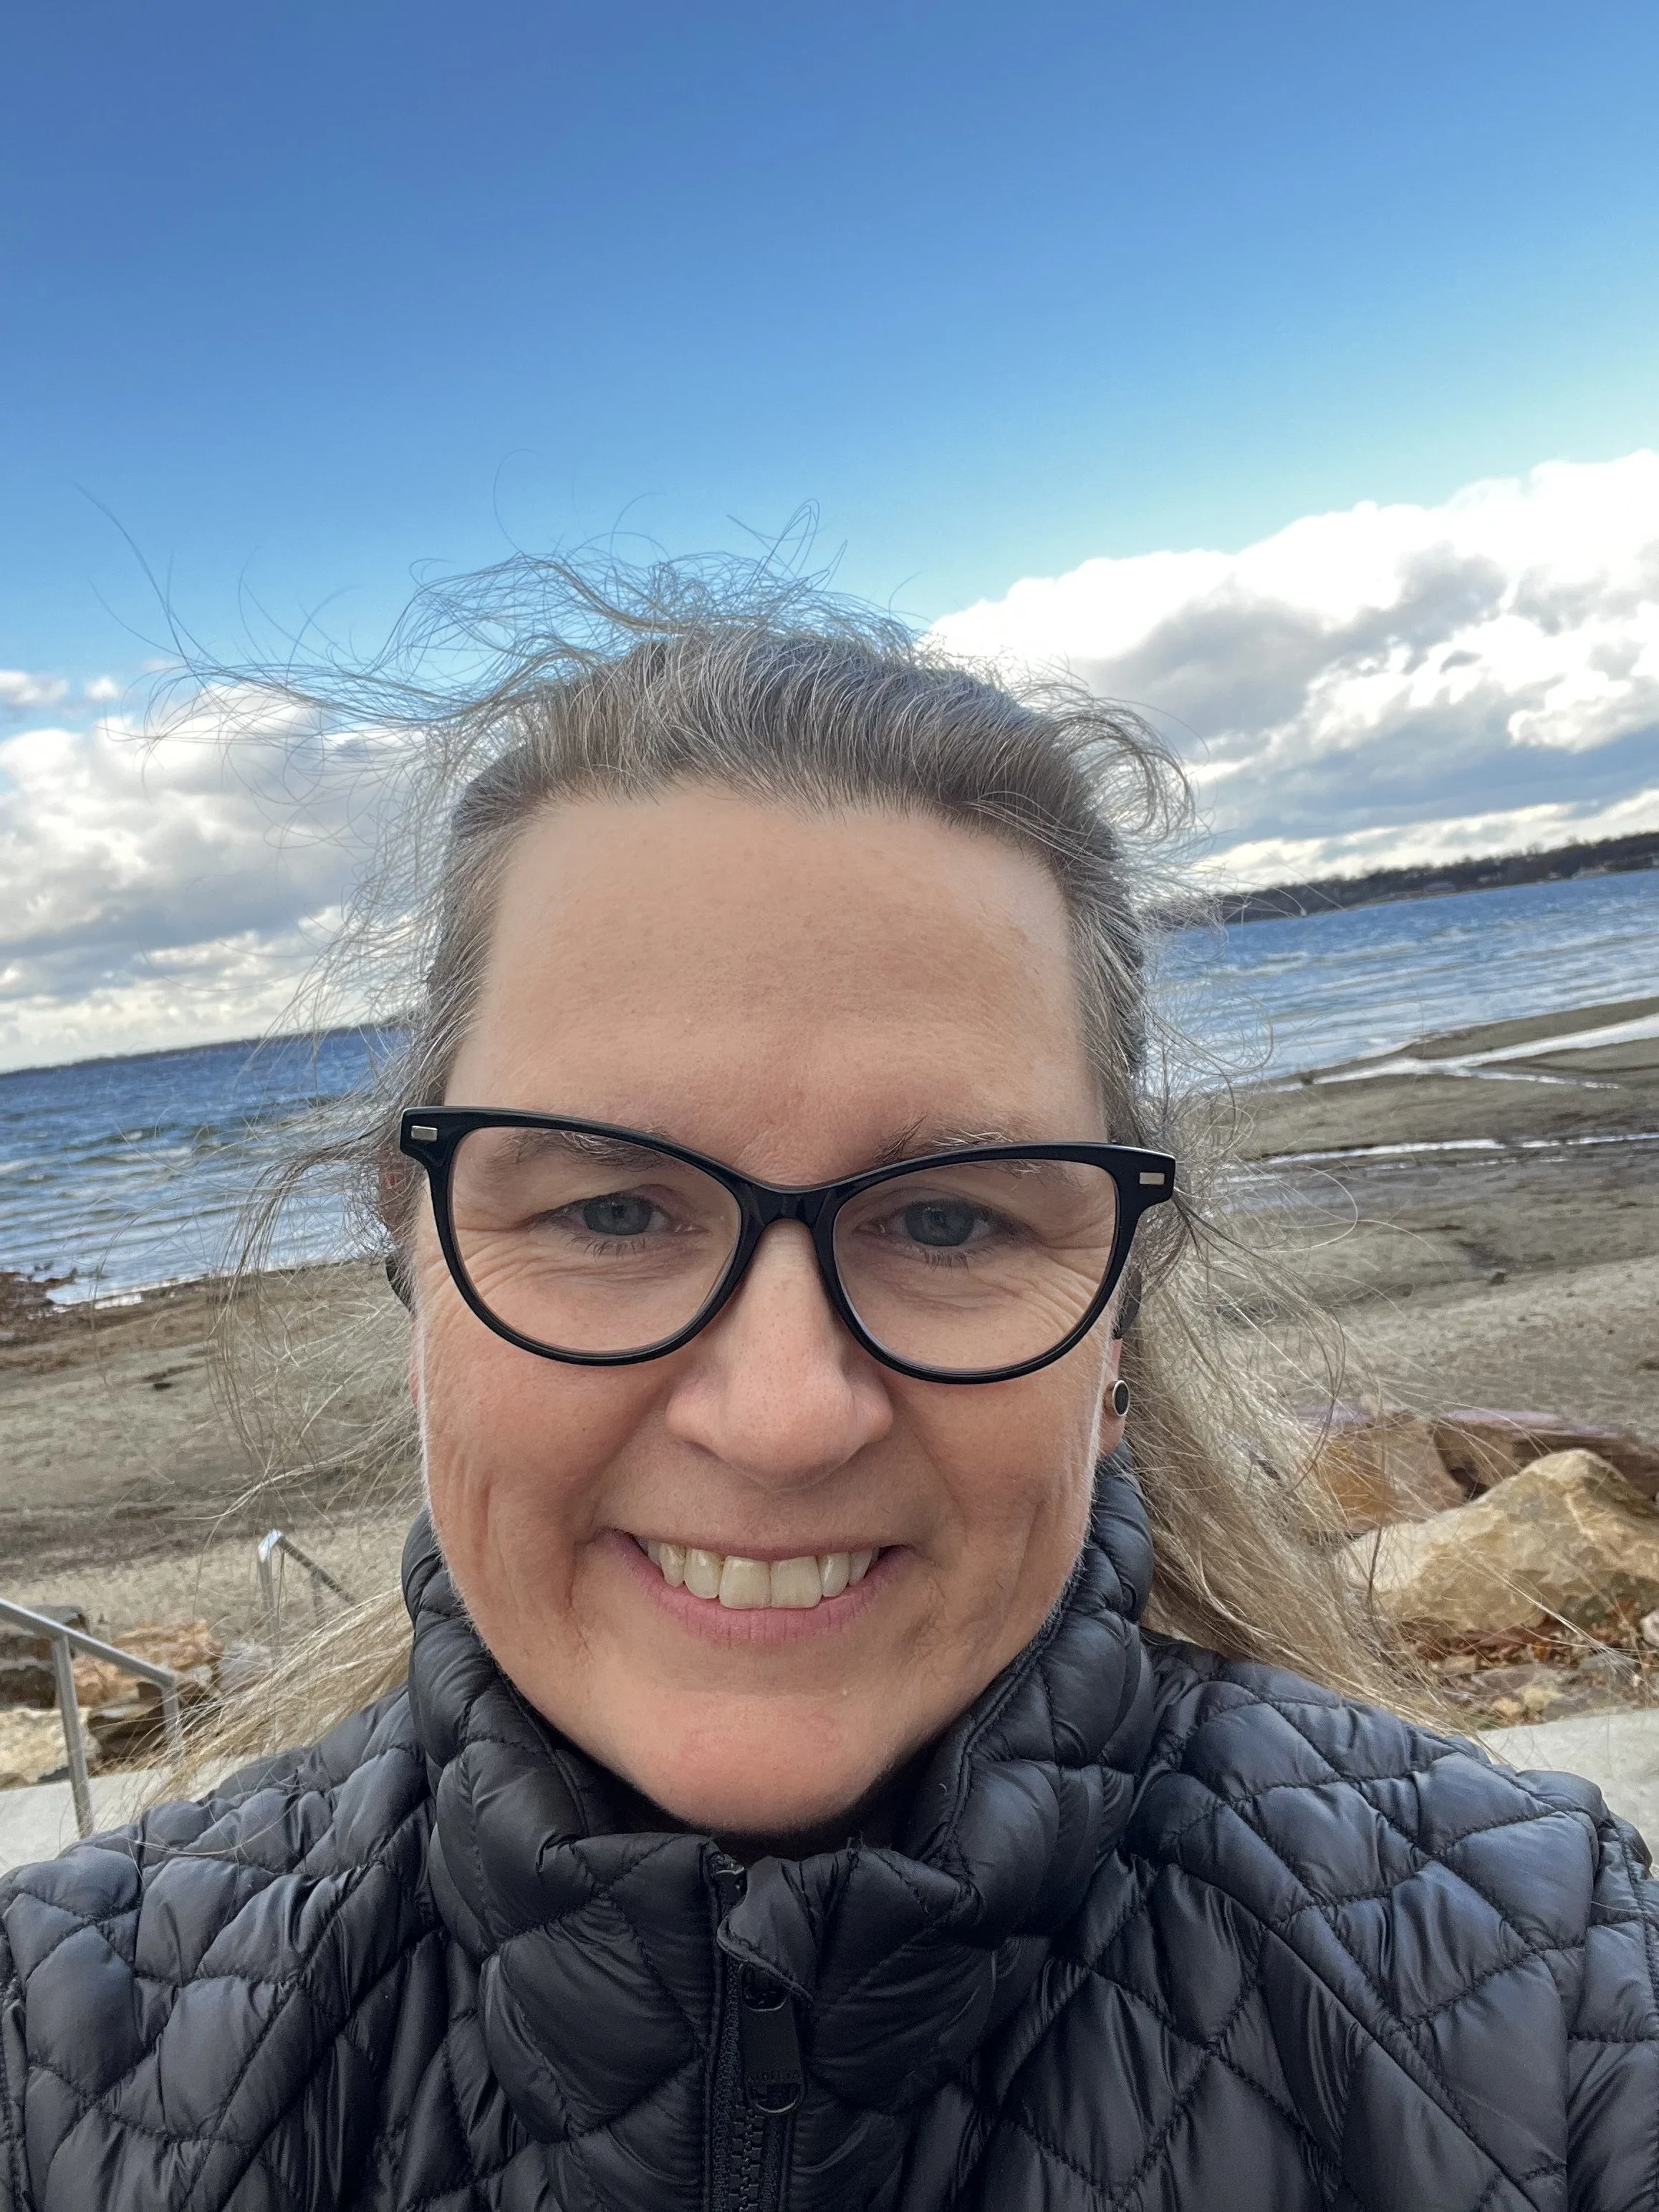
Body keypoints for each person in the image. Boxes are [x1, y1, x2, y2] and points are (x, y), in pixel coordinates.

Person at [3, 566, 1656, 2212]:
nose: (784, 1416)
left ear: (1115, 1340)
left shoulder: (1555, 2002)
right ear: (416, 1260)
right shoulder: (58, 2056)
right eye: (610, 1209)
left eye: (948, 1217)